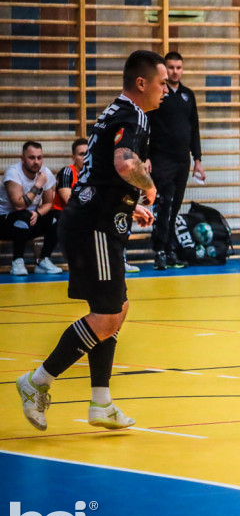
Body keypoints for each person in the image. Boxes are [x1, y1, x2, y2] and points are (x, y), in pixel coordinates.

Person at [15, 50, 166, 432]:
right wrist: (150, 190)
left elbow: (97, 174)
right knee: (108, 315)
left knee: (118, 308)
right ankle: (37, 382)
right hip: (94, 227)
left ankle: (101, 403)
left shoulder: (114, 112)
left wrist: (129, 206)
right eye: (163, 83)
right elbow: (124, 164)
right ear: (142, 83)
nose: (168, 89)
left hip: (95, 220)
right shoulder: (132, 115)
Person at [147, 51, 204, 270]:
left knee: (175, 205)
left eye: (178, 67)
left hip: (183, 161)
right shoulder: (158, 94)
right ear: (165, 69)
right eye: (171, 67)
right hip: (161, 159)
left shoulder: (188, 95)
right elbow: (146, 126)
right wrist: (146, 157)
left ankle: (171, 250)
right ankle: (160, 251)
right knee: (165, 204)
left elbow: (194, 128)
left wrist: (197, 159)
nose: (175, 71)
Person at [0, 141, 61, 275]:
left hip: (29, 220)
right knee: (23, 214)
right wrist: (37, 185)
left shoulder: (46, 173)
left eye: (39, 158)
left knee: (58, 216)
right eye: (31, 157)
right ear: (23, 159)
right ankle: (17, 262)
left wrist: (38, 214)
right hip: (5, 222)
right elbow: (19, 205)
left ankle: (44, 260)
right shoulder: (13, 173)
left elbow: (48, 203)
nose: (36, 162)